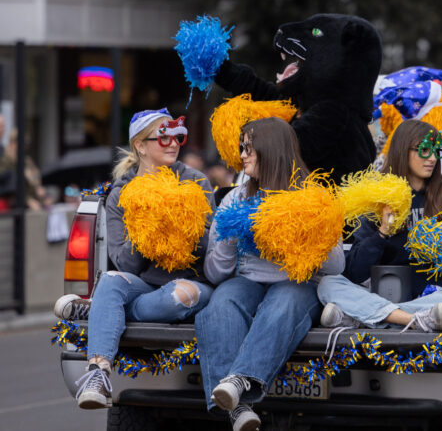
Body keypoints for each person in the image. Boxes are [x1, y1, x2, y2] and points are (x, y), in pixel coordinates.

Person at [52, 109, 215, 409]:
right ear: (140, 145)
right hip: (145, 282)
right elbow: (126, 264)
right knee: (112, 281)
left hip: (191, 281)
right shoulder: (120, 194)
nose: (173, 143)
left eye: (178, 136)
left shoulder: (196, 182)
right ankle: (97, 374)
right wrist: (148, 226)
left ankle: (104, 311)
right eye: (162, 137)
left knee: (179, 297)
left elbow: (210, 247)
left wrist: (177, 224)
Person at [195, 117, 345, 431]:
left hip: (297, 283)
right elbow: (215, 274)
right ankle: (239, 409)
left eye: (248, 147)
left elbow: (335, 267)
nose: (242, 154)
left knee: (284, 303)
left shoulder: (311, 194)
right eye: (241, 146)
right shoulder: (237, 197)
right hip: (246, 280)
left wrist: (304, 234)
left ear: (272, 149)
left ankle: (240, 380)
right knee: (221, 303)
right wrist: (229, 233)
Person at [318, 119, 442, 333]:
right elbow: (353, 272)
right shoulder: (379, 199)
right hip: (385, 294)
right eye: (424, 150)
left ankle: (364, 317)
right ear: (402, 151)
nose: (431, 158)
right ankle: (411, 319)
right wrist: (382, 233)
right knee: (328, 284)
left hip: (435, 299)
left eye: (437, 150)